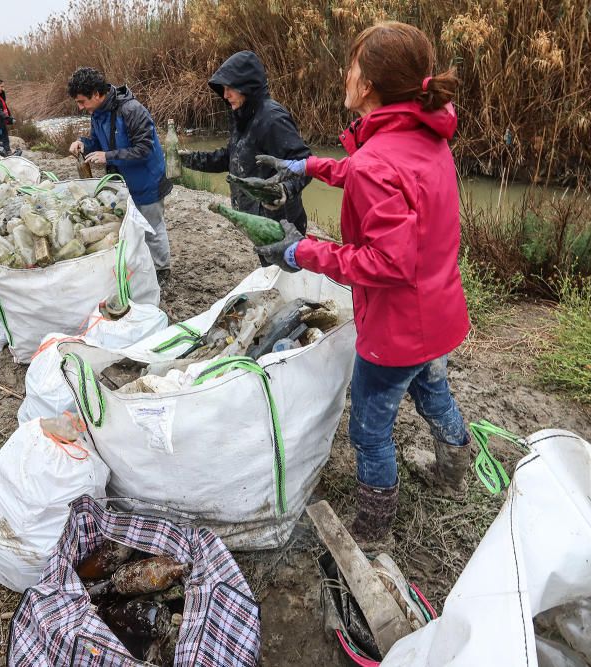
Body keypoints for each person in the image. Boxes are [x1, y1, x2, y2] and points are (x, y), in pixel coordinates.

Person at [251, 22, 472, 546]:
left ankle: (373, 533)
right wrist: (305, 166)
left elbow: (386, 261)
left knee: (370, 431)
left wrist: (301, 251)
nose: (345, 76)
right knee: (433, 390)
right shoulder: (422, 135)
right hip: (438, 314)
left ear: (368, 84)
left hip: (396, 331)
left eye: (351, 67)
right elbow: (370, 173)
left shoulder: (379, 159)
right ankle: (453, 474)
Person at [179, 51, 311, 234]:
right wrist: (189, 159)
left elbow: (306, 163)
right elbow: (232, 158)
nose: (225, 95)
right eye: (223, 89)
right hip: (257, 220)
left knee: (280, 263)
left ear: (246, 86)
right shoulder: (243, 116)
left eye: (230, 88)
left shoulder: (272, 118)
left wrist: (285, 189)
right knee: (267, 262)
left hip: (281, 223)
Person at [67, 67, 172, 281]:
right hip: (124, 182)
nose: (80, 107)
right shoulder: (97, 113)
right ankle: (143, 265)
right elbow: (97, 142)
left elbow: (144, 149)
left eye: (81, 102)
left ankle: (162, 269)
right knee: (132, 226)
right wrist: (82, 143)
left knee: (153, 228)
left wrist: (108, 157)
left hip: (148, 180)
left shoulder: (132, 110)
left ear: (96, 94)